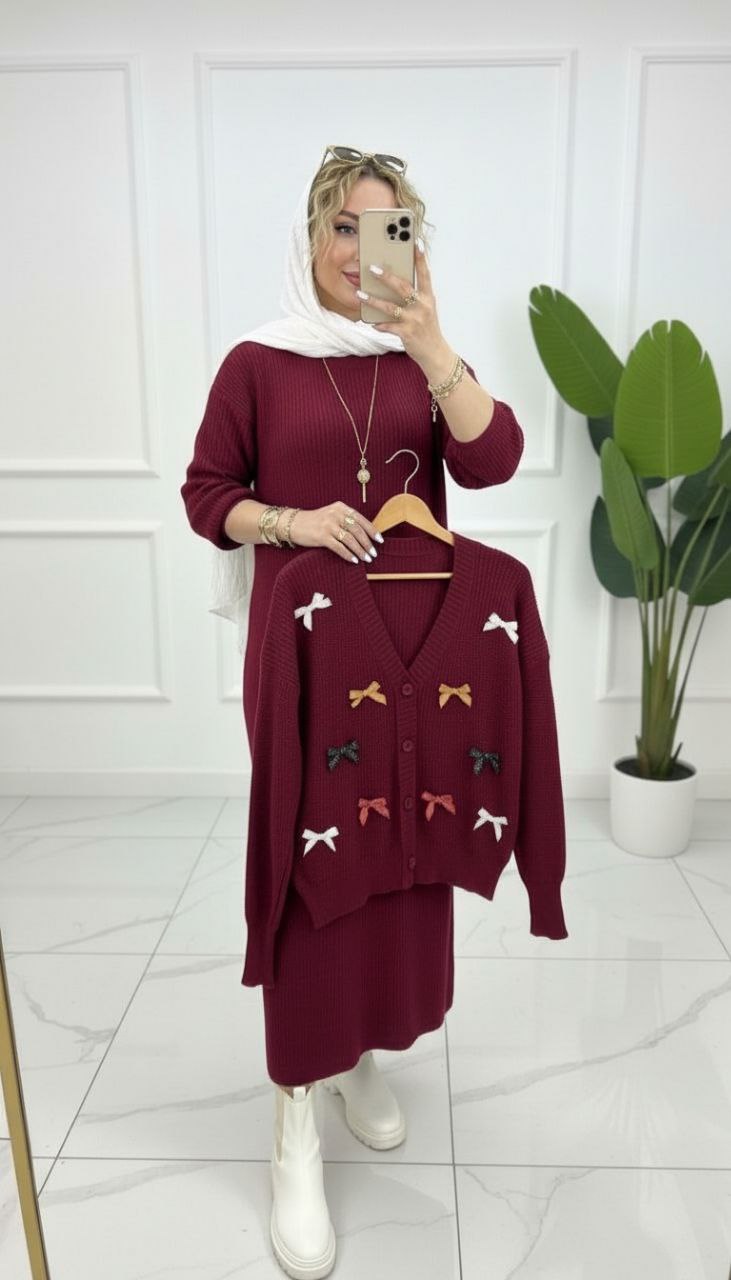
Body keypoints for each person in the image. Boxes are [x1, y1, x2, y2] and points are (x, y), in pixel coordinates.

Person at [180, 144, 525, 1278]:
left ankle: (360, 1048)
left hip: (414, 665)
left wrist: (431, 344)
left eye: (387, 230)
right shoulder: (257, 363)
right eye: (343, 226)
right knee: (305, 864)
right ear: (310, 236)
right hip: (302, 660)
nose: (359, 250)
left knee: (399, 849)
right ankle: (294, 1108)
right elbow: (206, 496)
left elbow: (495, 459)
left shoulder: (421, 362)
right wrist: (292, 523)